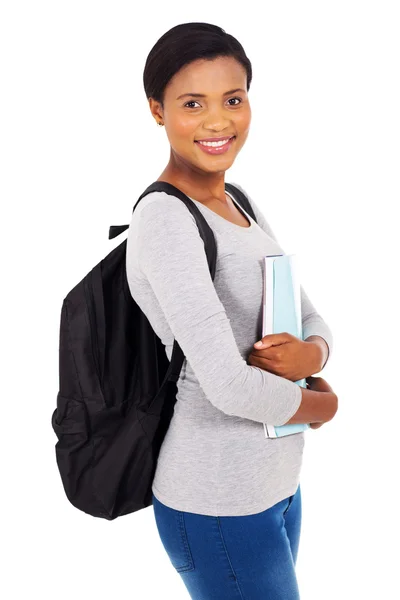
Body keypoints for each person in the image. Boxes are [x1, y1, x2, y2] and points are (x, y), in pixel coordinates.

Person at [126, 21, 338, 600]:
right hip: (217, 501)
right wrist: (324, 402)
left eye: (234, 99)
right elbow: (225, 384)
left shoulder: (237, 200)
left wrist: (311, 353)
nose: (219, 121)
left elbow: (310, 316)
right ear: (157, 111)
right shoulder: (167, 218)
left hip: (276, 488)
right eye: (193, 103)